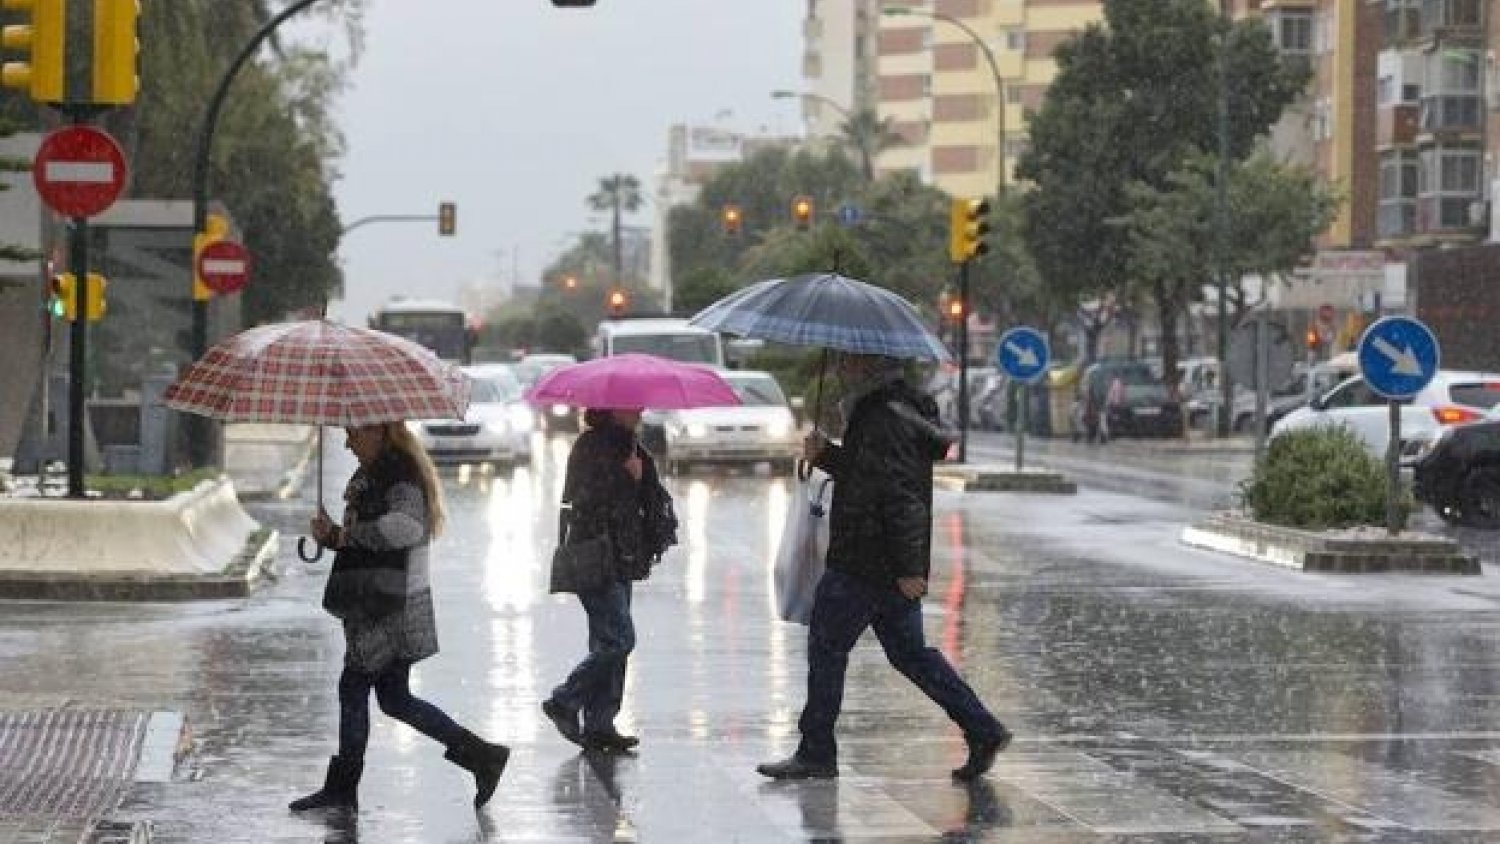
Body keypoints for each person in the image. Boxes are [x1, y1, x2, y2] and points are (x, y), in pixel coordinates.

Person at [757, 352, 1012, 782]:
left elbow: (900, 496)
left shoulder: (880, 418)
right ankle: (982, 728)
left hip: (866, 561)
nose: (839, 369)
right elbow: (867, 476)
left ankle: (817, 752)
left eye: (847, 362)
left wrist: (910, 569)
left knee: (827, 646)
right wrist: (827, 456)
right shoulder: (888, 413)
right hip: (881, 562)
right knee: (910, 654)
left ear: (867, 366)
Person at [291, 422, 510, 813]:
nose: (347, 441)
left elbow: (404, 528)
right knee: (394, 698)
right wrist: (332, 535)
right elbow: (366, 537)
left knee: (354, 686)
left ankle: (343, 788)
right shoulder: (376, 474)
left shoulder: (398, 475)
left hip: (391, 603)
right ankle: (481, 756)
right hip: (381, 598)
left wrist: (345, 537)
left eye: (354, 432)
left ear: (380, 431)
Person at [542, 407, 677, 753]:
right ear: (613, 409)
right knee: (619, 640)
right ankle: (564, 699)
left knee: (607, 642)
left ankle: (601, 724)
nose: (640, 411)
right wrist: (625, 476)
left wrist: (640, 476)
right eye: (632, 405)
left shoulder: (632, 445)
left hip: (622, 557)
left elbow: (648, 498)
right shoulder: (590, 446)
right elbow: (583, 499)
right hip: (595, 556)